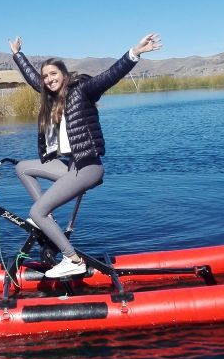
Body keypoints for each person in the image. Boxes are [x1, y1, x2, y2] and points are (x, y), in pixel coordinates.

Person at [8, 33, 162, 278]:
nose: (48, 80)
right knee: (22, 167)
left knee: (36, 213)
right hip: (71, 166)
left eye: (53, 74)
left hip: (88, 166)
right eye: (45, 76)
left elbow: (111, 75)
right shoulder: (52, 96)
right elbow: (32, 78)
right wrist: (17, 55)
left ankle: (73, 259)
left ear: (64, 75)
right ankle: (49, 220)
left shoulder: (83, 91)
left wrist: (134, 52)